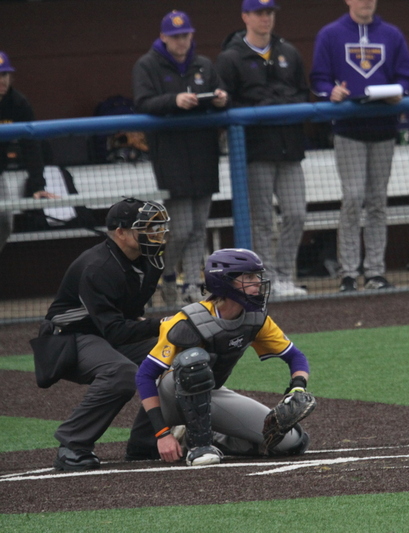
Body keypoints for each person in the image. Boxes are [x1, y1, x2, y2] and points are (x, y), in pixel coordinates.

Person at [134, 248, 316, 466]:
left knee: (289, 441)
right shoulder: (187, 321)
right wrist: (162, 433)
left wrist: (297, 386)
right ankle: (198, 447)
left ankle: (204, 437)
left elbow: (296, 357)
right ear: (225, 282)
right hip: (170, 398)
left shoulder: (255, 319)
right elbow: (145, 375)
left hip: (210, 394)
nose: (257, 282)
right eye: (248, 277)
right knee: (194, 362)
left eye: (257, 275)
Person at [36, 198, 170, 470]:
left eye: (158, 227)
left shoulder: (149, 260)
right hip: (67, 338)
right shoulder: (98, 267)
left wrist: (167, 331)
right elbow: (117, 331)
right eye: (146, 227)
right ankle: (71, 446)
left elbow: (129, 316)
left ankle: (145, 444)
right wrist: (165, 323)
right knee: (120, 373)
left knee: (173, 353)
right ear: (120, 232)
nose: (155, 233)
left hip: (103, 334)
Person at [310, 0, 409, 292]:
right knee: (353, 198)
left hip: (384, 128)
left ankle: (375, 272)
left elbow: (407, 75)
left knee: (378, 200)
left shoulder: (392, 34)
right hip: (348, 129)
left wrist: (401, 91)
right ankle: (347, 273)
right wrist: (330, 91)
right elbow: (318, 78)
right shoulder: (330, 34)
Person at [132, 10, 229, 306]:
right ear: (163, 37)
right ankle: (164, 275)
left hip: (203, 151)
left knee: (199, 225)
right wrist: (173, 100)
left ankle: (193, 284)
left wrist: (221, 98)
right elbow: (143, 102)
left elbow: (221, 93)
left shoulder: (203, 64)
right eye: (175, 36)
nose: (182, 40)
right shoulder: (147, 65)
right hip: (170, 155)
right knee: (183, 227)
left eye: (185, 35)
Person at [216, 0, 310, 298]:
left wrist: (277, 103)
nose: (265, 18)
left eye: (269, 13)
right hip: (255, 151)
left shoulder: (288, 52)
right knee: (262, 219)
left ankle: (282, 275)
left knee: (296, 212)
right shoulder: (231, 57)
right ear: (245, 17)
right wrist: (263, 106)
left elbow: (303, 94)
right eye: (259, 13)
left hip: (290, 148)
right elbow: (227, 105)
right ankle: (264, 279)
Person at [0, 50, 56, 255]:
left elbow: (31, 146)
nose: (2, 81)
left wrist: (37, 184)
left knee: (4, 223)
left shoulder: (18, 103)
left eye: (4, 75)